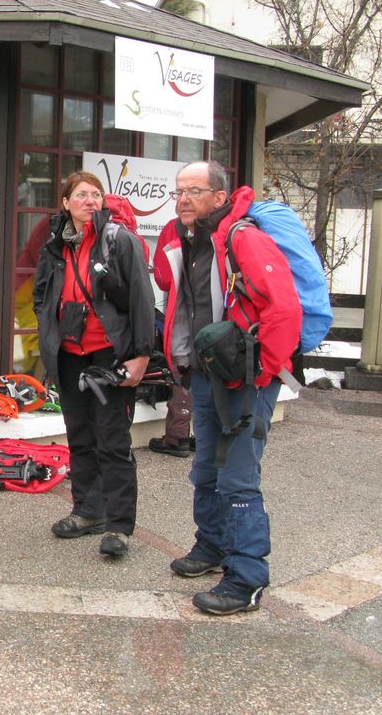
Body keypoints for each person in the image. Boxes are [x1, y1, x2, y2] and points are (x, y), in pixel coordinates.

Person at [157, 160, 300, 616]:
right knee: (206, 469)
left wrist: (262, 374)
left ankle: (247, 577)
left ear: (219, 197)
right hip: (207, 375)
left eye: (194, 191)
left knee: (239, 477)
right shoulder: (191, 242)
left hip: (247, 380)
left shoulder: (243, 238)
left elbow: (285, 310)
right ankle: (212, 546)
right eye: (179, 191)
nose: (183, 199)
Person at [33, 172, 155, 558]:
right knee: (80, 438)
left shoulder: (120, 241)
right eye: (81, 195)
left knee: (113, 442)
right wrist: (50, 333)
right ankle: (88, 511)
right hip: (69, 356)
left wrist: (141, 356)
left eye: (96, 195)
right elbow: (41, 295)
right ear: (66, 202)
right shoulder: (55, 246)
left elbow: (140, 299)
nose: (90, 201)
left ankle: (119, 527)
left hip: (110, 356)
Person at [150, 219, 194, 458]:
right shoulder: (225, 227)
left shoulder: (174, 227)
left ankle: (178, 437)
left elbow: (163, 278)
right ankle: (204, 434)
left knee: (182, 367)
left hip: (183, 308)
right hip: (217, 315)